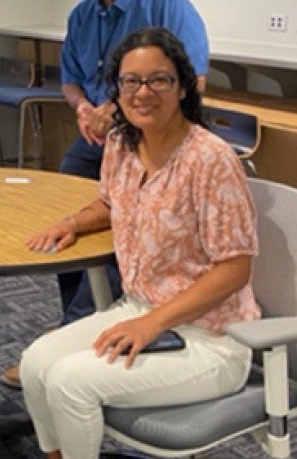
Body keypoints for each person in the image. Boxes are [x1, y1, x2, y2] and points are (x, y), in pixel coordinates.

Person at [20, 27, 259, 459]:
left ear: (183, 86)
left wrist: (153, 323)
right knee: (37, 363)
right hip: (140, 308)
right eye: (130, 81)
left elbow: (235, 268)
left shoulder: (211, 159)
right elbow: (113, 204)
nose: (142, 92)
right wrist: (75, 222)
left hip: (212, 338)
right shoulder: (121, 142)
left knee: (69, 383)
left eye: (159, 80)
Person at [3, 0, 210, 388]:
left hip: (153, 139)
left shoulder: (167, 6)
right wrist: (82, 111)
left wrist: (114, 111)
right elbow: (71, 81)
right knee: (68, 211)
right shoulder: (82, 15)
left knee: (124, 216)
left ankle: (82, 333)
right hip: (100, 138)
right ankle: (80, 319)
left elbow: (192, 80)